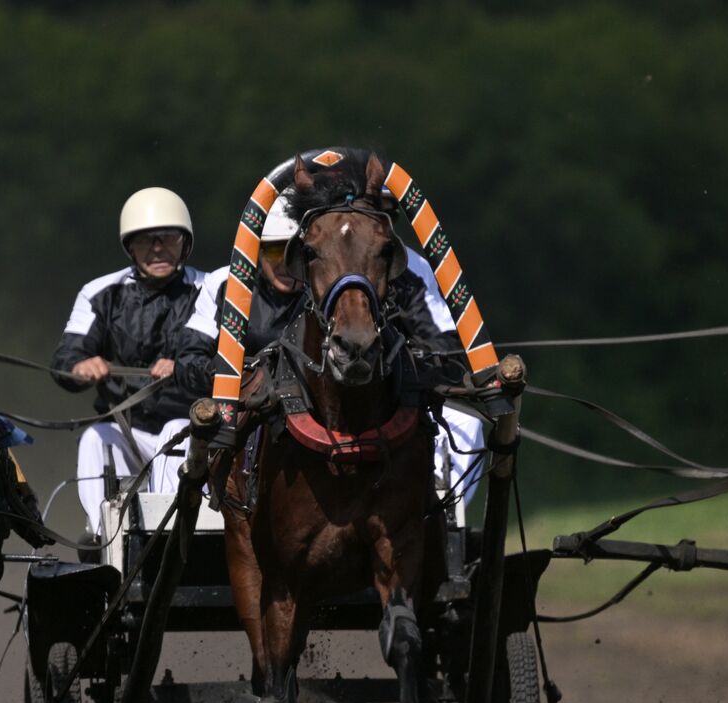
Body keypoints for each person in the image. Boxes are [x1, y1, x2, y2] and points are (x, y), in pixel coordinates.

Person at [182, 190, 487, 501]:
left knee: (467, 422)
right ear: (257, 251)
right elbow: (189, 363)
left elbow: (445, 349)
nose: (284, 266)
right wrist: (244, 377)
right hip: (259, 408)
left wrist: (407, 361)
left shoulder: (334, 284)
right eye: (273, 253)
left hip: (346, 407)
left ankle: (438, 505)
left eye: (291, 255)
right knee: (178, 431)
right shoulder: (227, 284)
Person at [52, 187, 210, 536]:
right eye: (145, 241)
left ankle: (170, 540)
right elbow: (65, 357)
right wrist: (80, 368)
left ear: (185, 243)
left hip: (191, 430)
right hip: (128, 430)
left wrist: (181, 367)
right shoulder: (99, 293)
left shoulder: (210, 290)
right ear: (130, 248)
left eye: (167, 238)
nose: (157, 248)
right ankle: (105, 539)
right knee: (95, 437)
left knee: (176, 433)